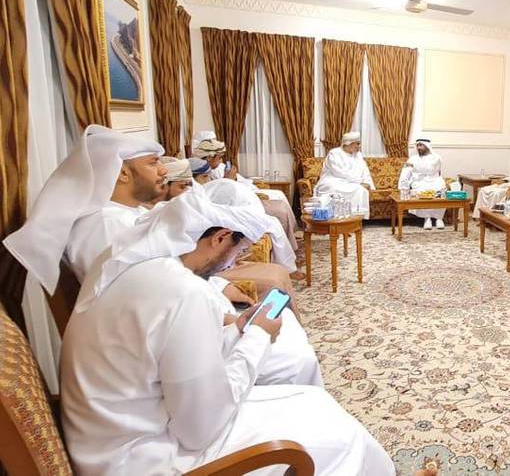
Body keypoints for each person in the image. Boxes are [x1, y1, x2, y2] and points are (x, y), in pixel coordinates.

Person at [59, 191, 393, 475]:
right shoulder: (181, 292)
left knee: (314, 401)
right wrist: (257, 336)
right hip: (147, 458)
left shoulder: (128, 259)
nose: (233, 262)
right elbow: (200, 430)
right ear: (220, 237)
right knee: (341, 438)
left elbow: (164, 357)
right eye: (238, 251)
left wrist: (240, 331)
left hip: (127, 429)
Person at [4, 125, 166, 288]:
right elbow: (136, 290)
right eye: (153, 164)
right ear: (123, 174)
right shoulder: (107, 225)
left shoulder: (127, 211)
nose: (164, 170)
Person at [202, 179, 322, 387]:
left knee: (284, 317)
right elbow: (215, 396)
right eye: (239, 251)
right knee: (300, 361)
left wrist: (225, 293)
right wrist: (255, 331)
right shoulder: (175, 283)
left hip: (226, 328)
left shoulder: (189, 263)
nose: (238, 259)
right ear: (220, 238)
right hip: (214, 357)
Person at [314, 131, 375, 218]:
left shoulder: (358, 155)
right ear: (348, 143)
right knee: (332, 188)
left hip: (352, 182)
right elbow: (338, 172)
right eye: (357, 144)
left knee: (360, 190)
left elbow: (365, 171)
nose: (359, 146)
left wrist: (367, 183)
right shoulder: (334, 153)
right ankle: (334, 217)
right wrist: (358, 182)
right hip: (333, 179)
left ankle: (355, 218)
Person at [399, 138, 447, 230]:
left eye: (421, 145)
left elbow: (431, 170)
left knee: (441, 189)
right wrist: (403, 185)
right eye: (417, 145)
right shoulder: (412, 159)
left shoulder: (436, 158)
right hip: (419, 181)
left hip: (435, 179)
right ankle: (427, 219)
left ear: (427, 146)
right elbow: (405, 171)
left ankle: (439, 218)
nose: (418, 148)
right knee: (422, 191)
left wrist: (417, 168)